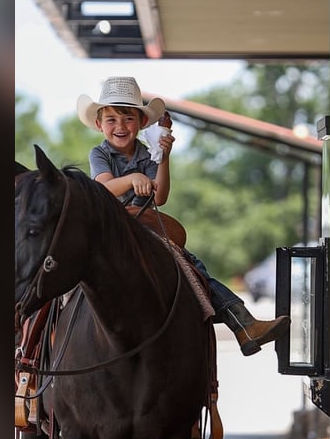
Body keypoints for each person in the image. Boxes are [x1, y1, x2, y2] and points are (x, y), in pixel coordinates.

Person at [76, 76, 290, 356]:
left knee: (191, 265)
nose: (120, 126)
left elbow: (160, 196)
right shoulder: (99, 153)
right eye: (112, 120)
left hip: (144, 226)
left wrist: (163, 158)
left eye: (128, 119)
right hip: (112, 227)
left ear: (141, 123)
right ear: (99, 124)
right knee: (70, 263)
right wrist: (132, 179)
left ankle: (241, 322)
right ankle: (44, 333)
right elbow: (103, 187)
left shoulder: (147, 153)